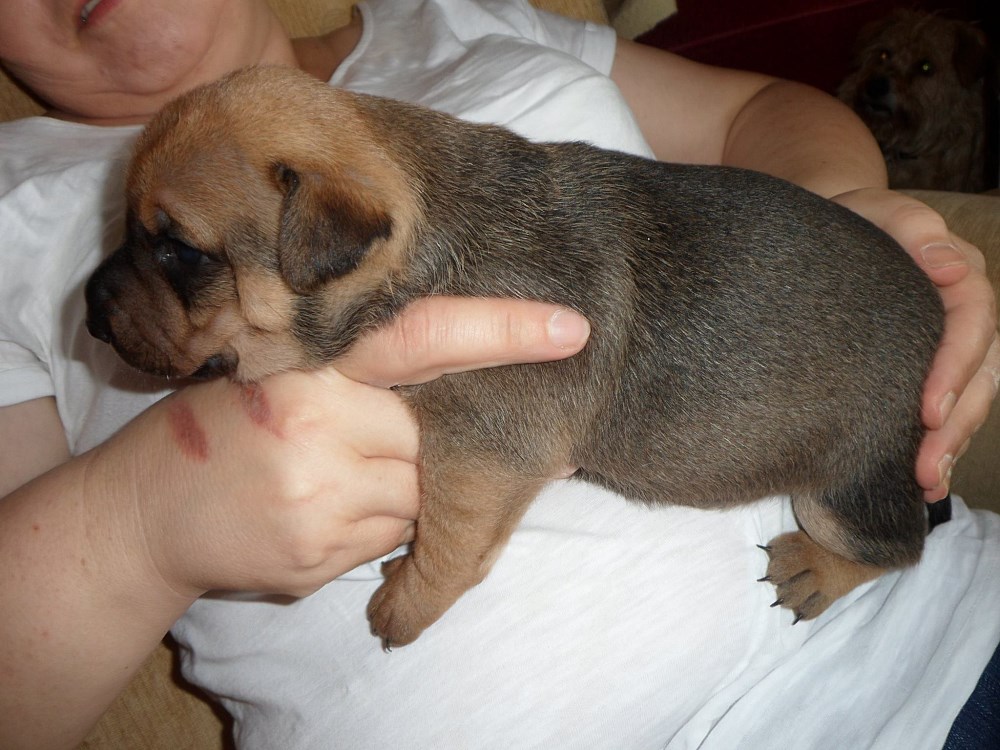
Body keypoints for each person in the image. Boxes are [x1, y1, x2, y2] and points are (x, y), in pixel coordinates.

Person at [0, 1, 997, 748]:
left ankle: (869, 547)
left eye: (178, 253)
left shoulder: (453, 18)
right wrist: (140, 524)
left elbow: (763, 109)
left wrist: (847, 214)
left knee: (855, 494)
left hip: (945, 644)